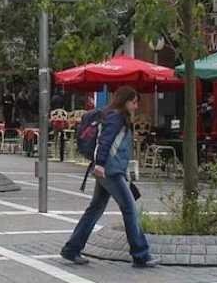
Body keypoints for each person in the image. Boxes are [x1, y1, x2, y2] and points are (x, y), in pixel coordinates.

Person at [61, 86, 157, 268]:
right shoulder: (116, 117)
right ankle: (141, 254)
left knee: (95, 209)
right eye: (134, 102)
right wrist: (100, 164)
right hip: (110, 171)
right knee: (129, 209)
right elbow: (105, 141)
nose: (136, 106)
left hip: (108, 169)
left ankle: (72, 249)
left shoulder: (113, 115)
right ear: (125, 101)